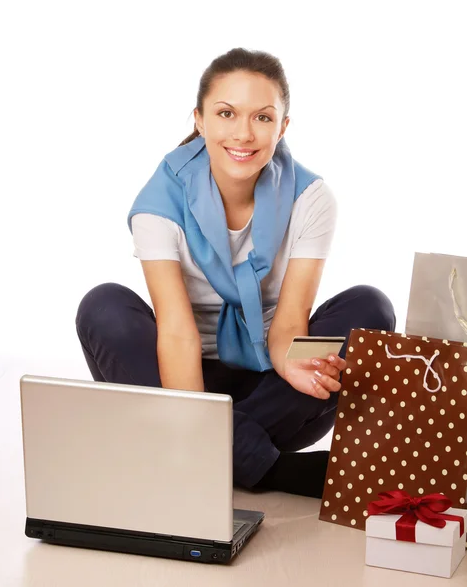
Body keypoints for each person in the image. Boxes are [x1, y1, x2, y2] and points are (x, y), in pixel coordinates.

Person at [76, 47, 396, 499]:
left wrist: (296, 366)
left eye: (262, 118)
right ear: (200, 119)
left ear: (282, 127)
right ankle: (268, 468)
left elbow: (288, 325)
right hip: (182, 377)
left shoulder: (311, 198)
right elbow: (177, 333)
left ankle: (194, 453)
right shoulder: (158, 204)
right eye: (226, 113)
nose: (243, 134)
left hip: (269, 383)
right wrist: (197, 417)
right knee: (102, 305)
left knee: (371, 307)